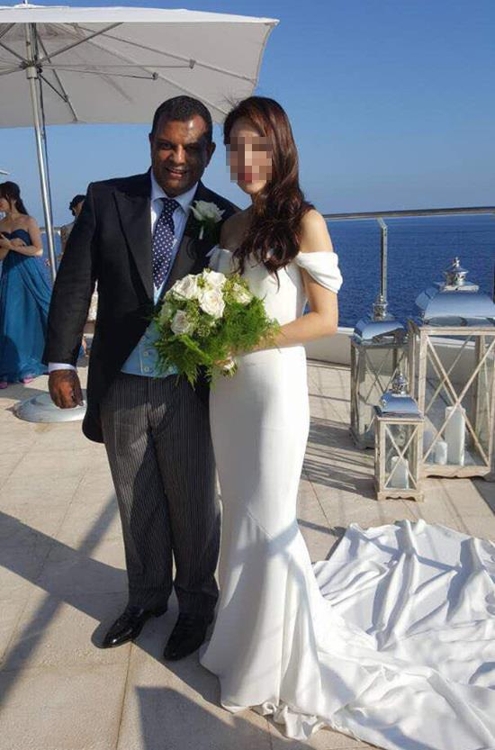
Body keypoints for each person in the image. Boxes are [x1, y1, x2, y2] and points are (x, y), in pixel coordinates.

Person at [200, 97, 495, 750]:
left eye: (257, 145)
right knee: (237, 511)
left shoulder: (304, 220)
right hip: (228, 393)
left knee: (268, 517)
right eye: (235, 146)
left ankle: (271, 657)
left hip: (272, 393)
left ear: (281, 148)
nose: (245, 160)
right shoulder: (229, 226)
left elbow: (325, 320)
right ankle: (238, 639)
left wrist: (243, 341)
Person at [44, 96, 237, 660]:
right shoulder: (107, 198)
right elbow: (75, 281)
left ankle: (196, 605)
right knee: (136, 498)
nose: (177, 158)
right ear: (150, 143)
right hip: (120, 379)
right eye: (166, 145)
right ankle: (146, 597)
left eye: (190, 148)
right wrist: (60, 361)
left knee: (194, 502)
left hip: (188, 388)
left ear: (208, 153)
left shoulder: (225, 218)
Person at [0, 181, 51, 388]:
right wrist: (8, 246)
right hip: (11, 273)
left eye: (1, 197)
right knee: (12, 317)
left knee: (40, 311)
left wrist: (13, 246)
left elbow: (38, 250)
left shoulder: (29, 220)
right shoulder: (0, 225)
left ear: (11, 197)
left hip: (31, 271)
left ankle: (39, 361)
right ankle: (12, 367)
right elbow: (0, 256)